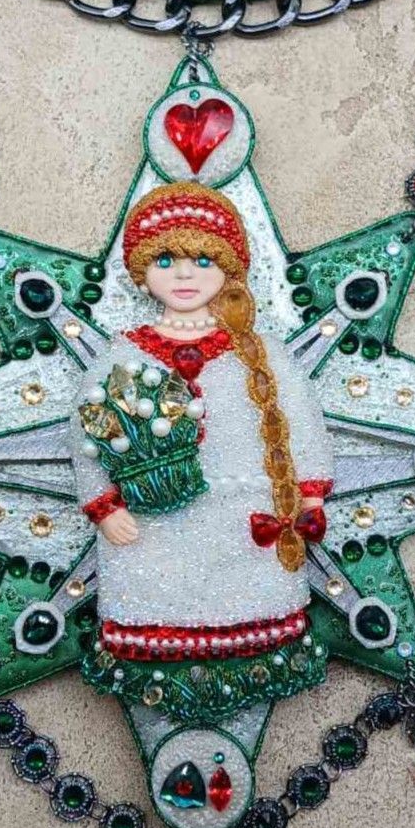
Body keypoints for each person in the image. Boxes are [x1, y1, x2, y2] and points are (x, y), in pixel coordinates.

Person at [71, 182, 334, 721]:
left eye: (203, 260)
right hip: (150, 532)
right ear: (142, 272)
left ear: (229, 270)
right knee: (154, 600)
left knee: (251, 598)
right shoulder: (123, 353)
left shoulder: (260, 352)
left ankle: (251, 660)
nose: (184, 275)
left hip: (245, 523)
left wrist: (309, 495)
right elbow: (88, 434)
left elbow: (302, 424)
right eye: (165, 260)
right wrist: (104, 506)